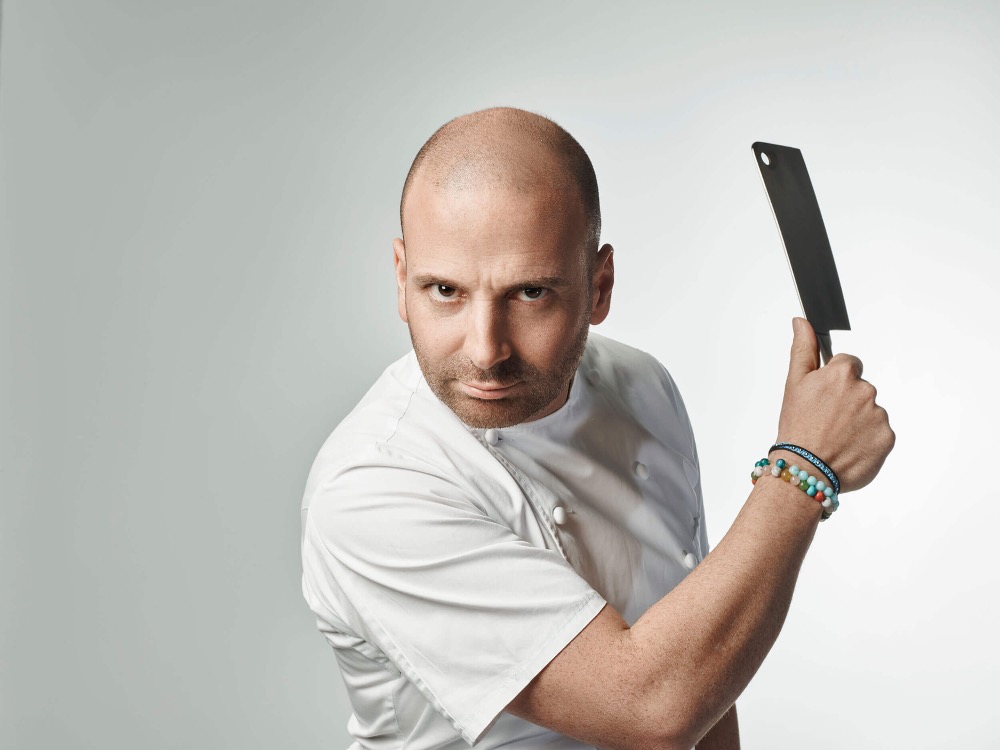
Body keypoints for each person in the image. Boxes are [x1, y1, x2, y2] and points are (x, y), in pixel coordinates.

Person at [300, 107, 894, 750]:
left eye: (530, 294)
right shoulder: (373, 486)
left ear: (600, 285)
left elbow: (705, 665)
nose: (486, 350)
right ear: (401, 277)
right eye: (444, 291)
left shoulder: (640, 385)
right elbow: (652, 706)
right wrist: (801, 470)